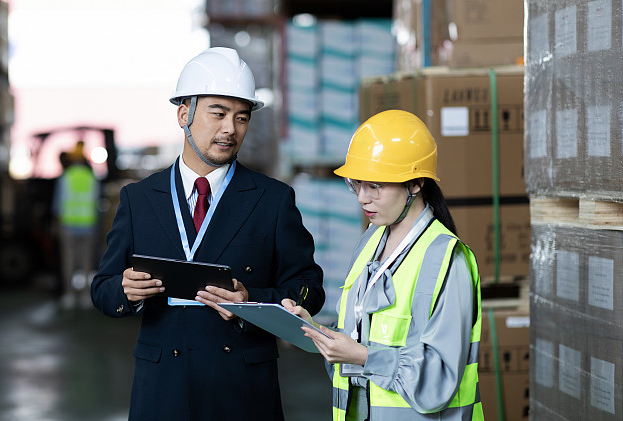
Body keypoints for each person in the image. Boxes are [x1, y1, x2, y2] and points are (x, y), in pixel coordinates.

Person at [91, 47, 325, 421]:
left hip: (241, 390)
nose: (230, 129)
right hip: (162, 388)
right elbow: (102, 289)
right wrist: (125, 291)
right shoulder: (138, 199)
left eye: (242, 117)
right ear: (184, 114)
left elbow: (309, 287)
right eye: (218, 113)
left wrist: (251, 301)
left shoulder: (272, 199)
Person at [283, 110, 483, 421]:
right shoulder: (369, 242)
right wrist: (316, 330)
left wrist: (362, 357)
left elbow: (438, 380)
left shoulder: (446, 259)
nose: (363, 198)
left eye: (375, 186)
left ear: (415, 184)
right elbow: (360, 336)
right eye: (357, 184)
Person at [52, 141, 99, 310]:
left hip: (69, 225)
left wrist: (56, 223)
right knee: (86, 263)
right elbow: (96, 201)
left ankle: (69, 295)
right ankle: (86, 296)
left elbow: (58, 204)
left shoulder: (65, 177)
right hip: (88, 225)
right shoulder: (91, 177)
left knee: (69, 262)